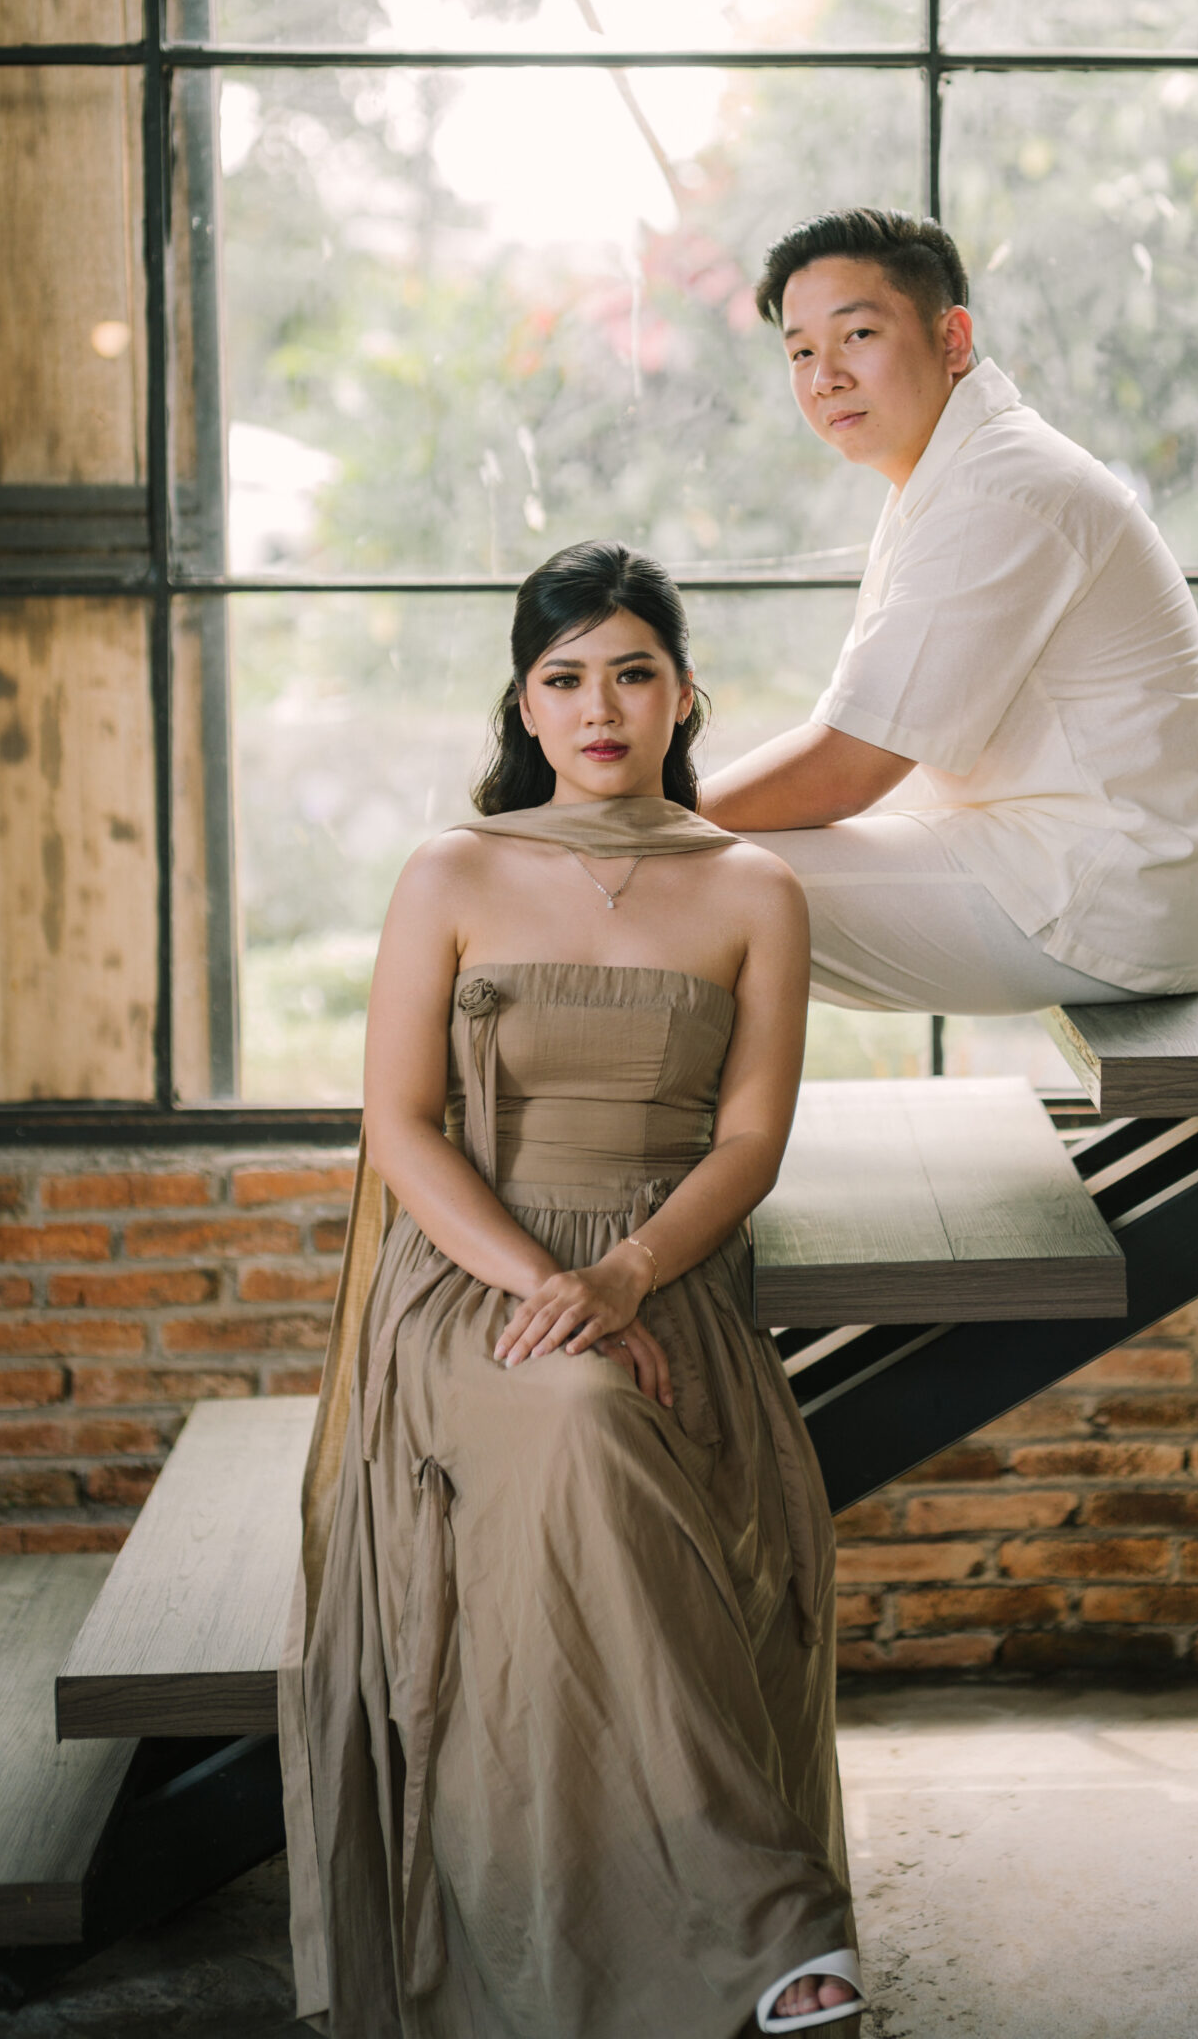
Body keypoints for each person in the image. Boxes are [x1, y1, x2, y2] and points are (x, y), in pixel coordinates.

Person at [279, 541, 863, 2039]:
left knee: (606, 1453)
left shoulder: (754, 889)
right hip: (477, 1273)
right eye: (565, 677)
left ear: (683, 695)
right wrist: (551, 1280)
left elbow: (751, 1140)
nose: (599, 708)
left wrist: (628, 1271)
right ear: (525, 704)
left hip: (662, 1267)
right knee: (588, 1420)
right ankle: (771, 1920)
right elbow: (400, 1123)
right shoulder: (453, 869)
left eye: (632, 673)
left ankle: (656, 1944)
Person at [700, 207, 1198, 1018]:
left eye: (857, 336)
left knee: (663, 874)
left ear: (952, 339)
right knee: (659, 863)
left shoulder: (1001, 486)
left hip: (1095, 895)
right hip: (1053, 861)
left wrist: (629, 820)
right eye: (801, 351)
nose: (823, 377)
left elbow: (849, 767)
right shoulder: (956, 470)